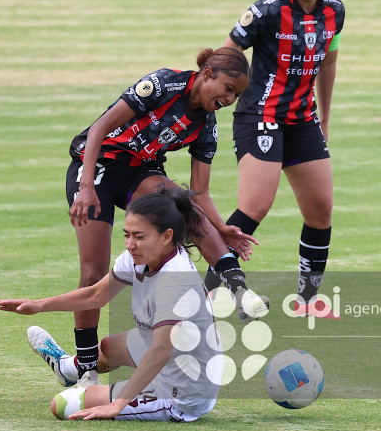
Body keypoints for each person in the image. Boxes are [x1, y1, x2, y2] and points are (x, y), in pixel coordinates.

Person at [64, 47, 267, 387]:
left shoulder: (206, 126)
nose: (231, 98)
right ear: (207, 75)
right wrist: (86, 187)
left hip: (139, 173)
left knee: (184, 203)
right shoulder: (164, 84)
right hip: (96, 168)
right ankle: (85, 369)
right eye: (228, 88)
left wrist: (221, 227)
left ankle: (238, 288)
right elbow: (99, 129)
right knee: (93, 272)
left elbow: (200, 193)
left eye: (237, 94)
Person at [205, 0, 349, 313]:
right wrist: (213, 99)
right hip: (260, 117)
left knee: (320, 209)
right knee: (254, 207)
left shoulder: (335, 11)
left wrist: (325, 118)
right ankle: (206, 293)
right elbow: (226, 56)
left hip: (302, 120)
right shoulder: (267, 10)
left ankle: (307, 299)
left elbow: (328, 63)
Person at [0, 188, 221, 422]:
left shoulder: (174, 281)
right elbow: (96, 296)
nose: (130, 244)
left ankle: (142, 395)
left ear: (166, 236)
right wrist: (38, 305)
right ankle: (67, 369)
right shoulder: (144, 256)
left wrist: (118, 404)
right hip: (178, 356)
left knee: (61, 405)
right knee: (109, 347)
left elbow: (162, 350)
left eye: (139, 237)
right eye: (127, 235)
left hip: (184, 390)